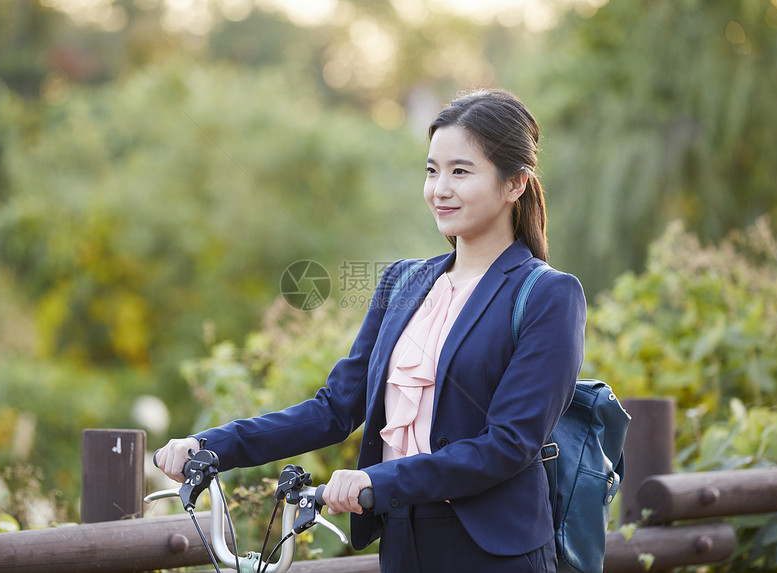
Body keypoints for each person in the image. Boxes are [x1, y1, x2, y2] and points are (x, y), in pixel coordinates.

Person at [155, 88, 586, 572]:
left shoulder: (549, 294)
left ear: (515, 184)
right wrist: (211, 446)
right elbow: (335, 409)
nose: (440, 188)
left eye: (460, 171)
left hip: (496, 553)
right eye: (431, 170)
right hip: (401, 541)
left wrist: (379, 482)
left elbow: (508, 443)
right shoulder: (402, 282)